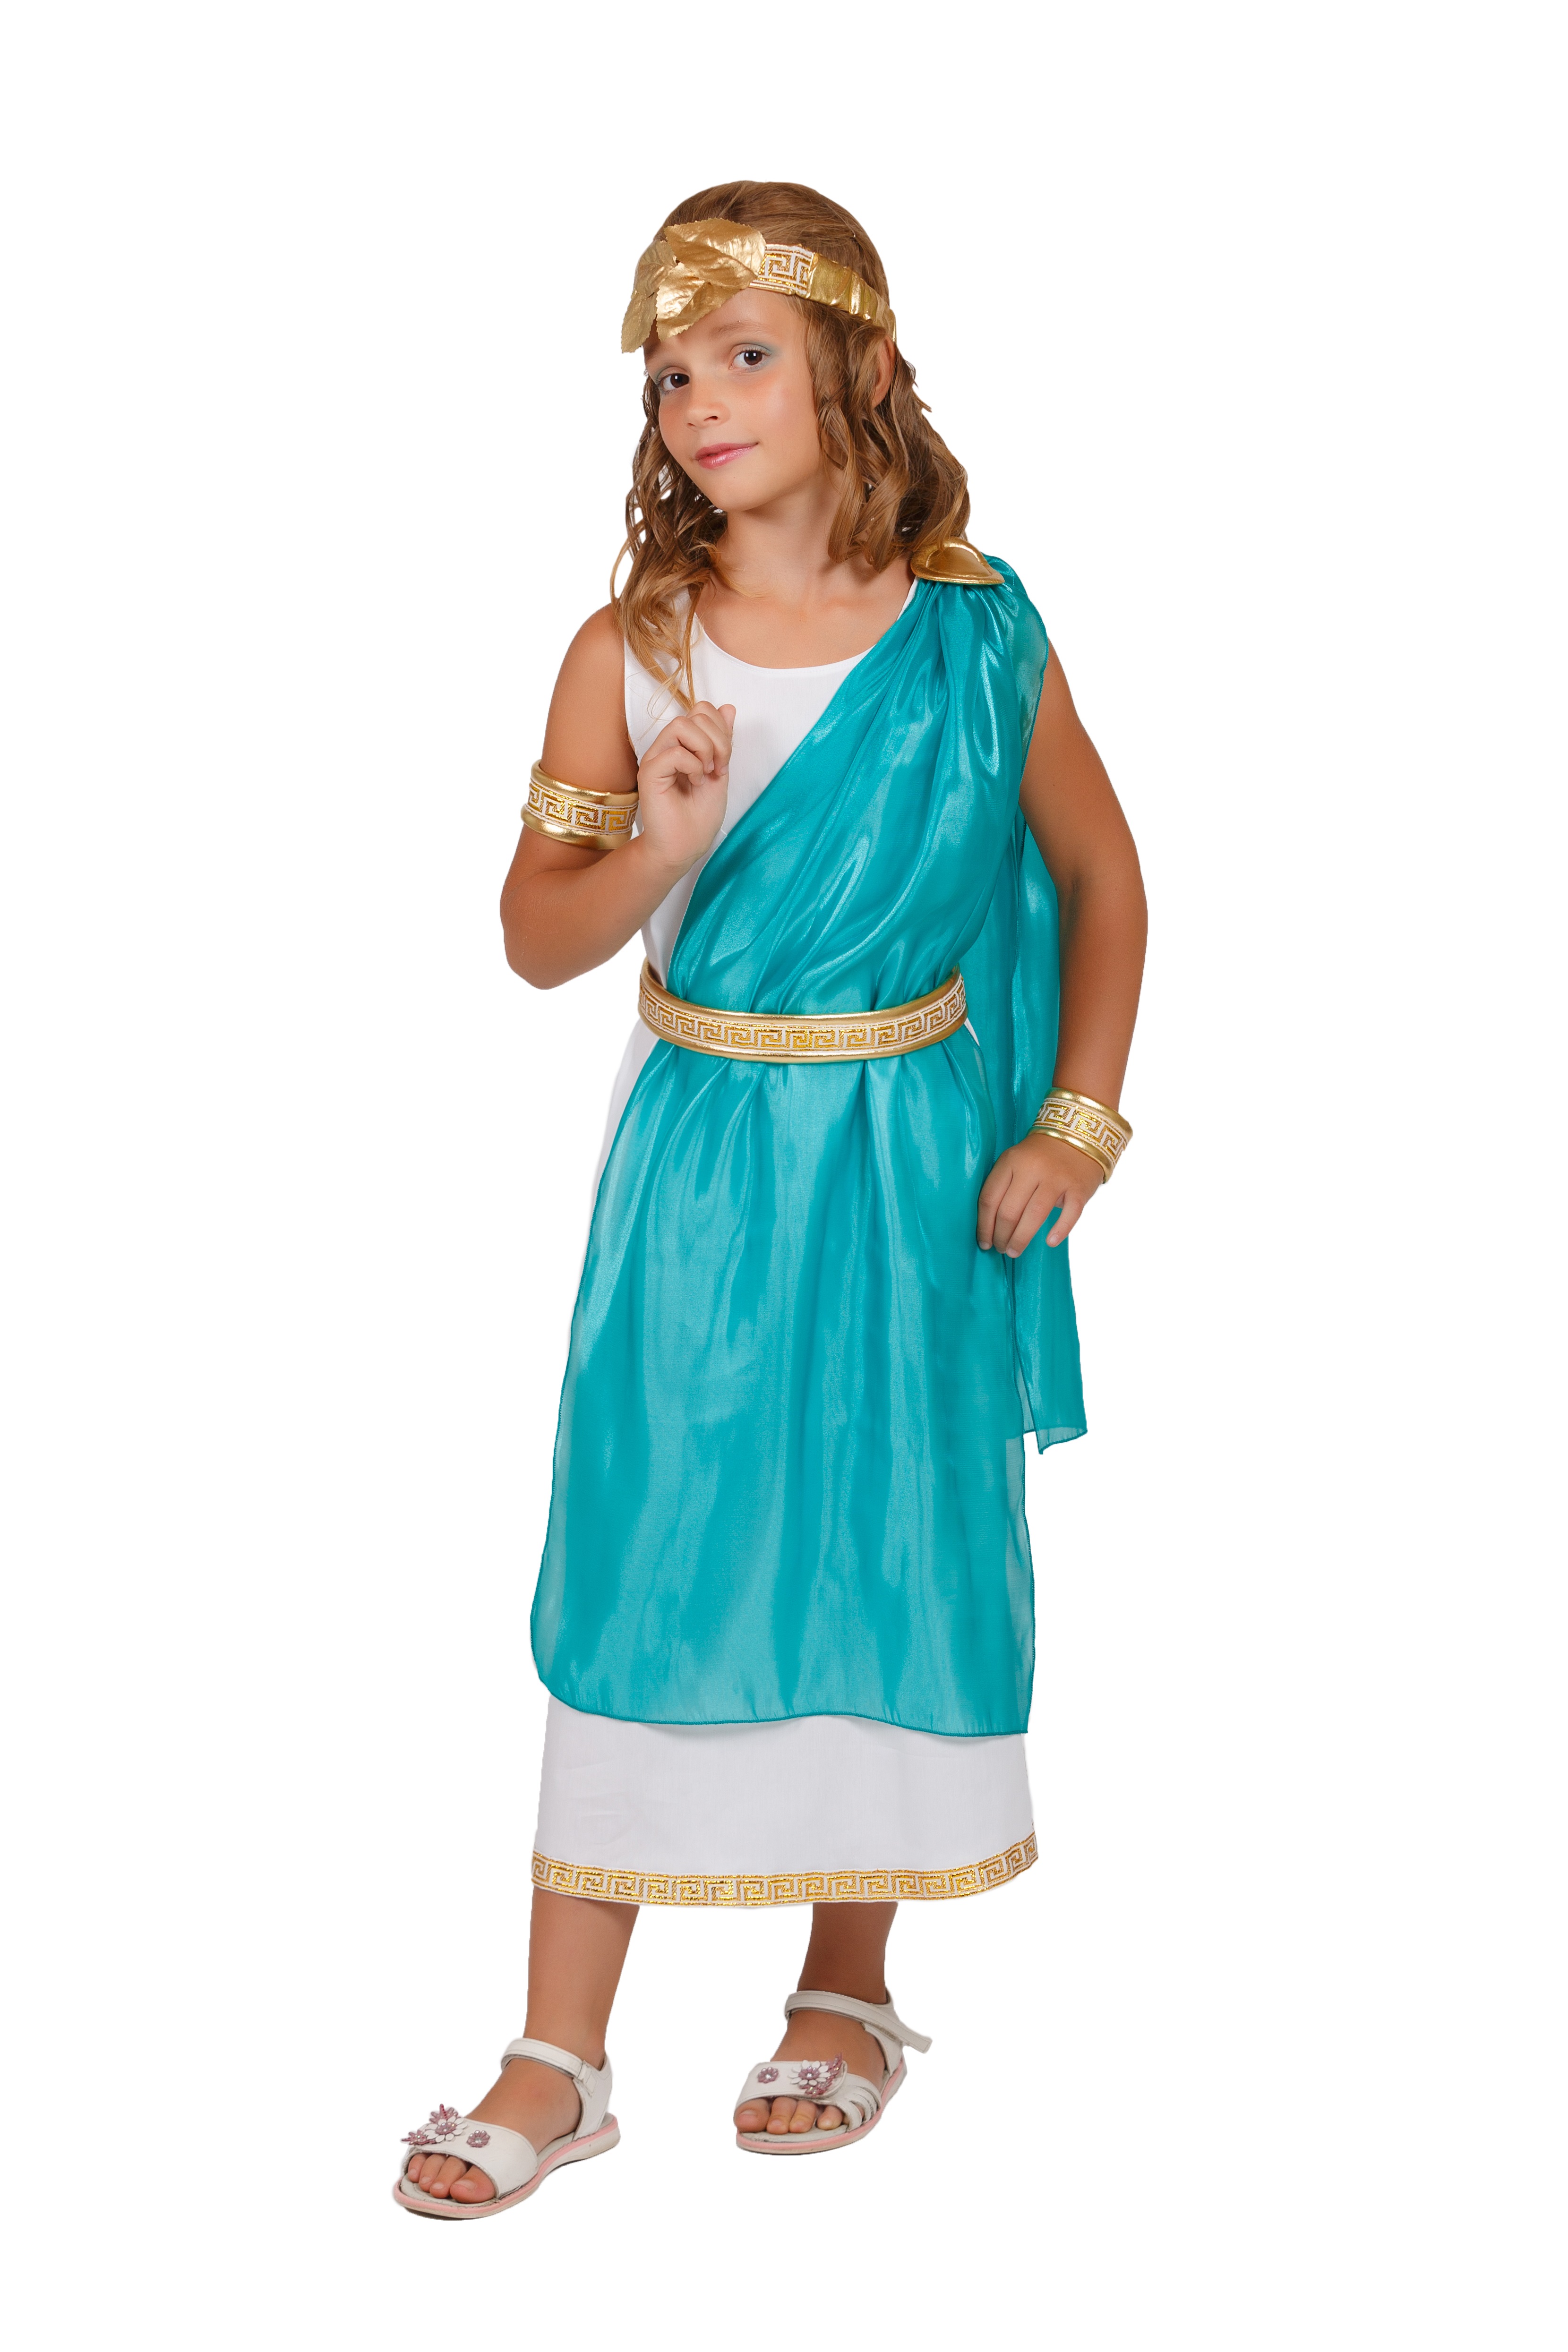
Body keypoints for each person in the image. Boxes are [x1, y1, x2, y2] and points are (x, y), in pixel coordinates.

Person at [395, 180, 1147, 2218]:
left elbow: (1102, 875)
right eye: (669, 372)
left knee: (877, 1541)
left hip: (915, 1157)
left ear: (861, 370)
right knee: (651, 1546)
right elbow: (533, 939)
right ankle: (560, 2055)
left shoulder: (977, 633)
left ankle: (845, 1993)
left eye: (743, 354)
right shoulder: (630, 649)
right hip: (704, 1164)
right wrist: (657, 847)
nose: (700, 401)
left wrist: (1078, 1119)